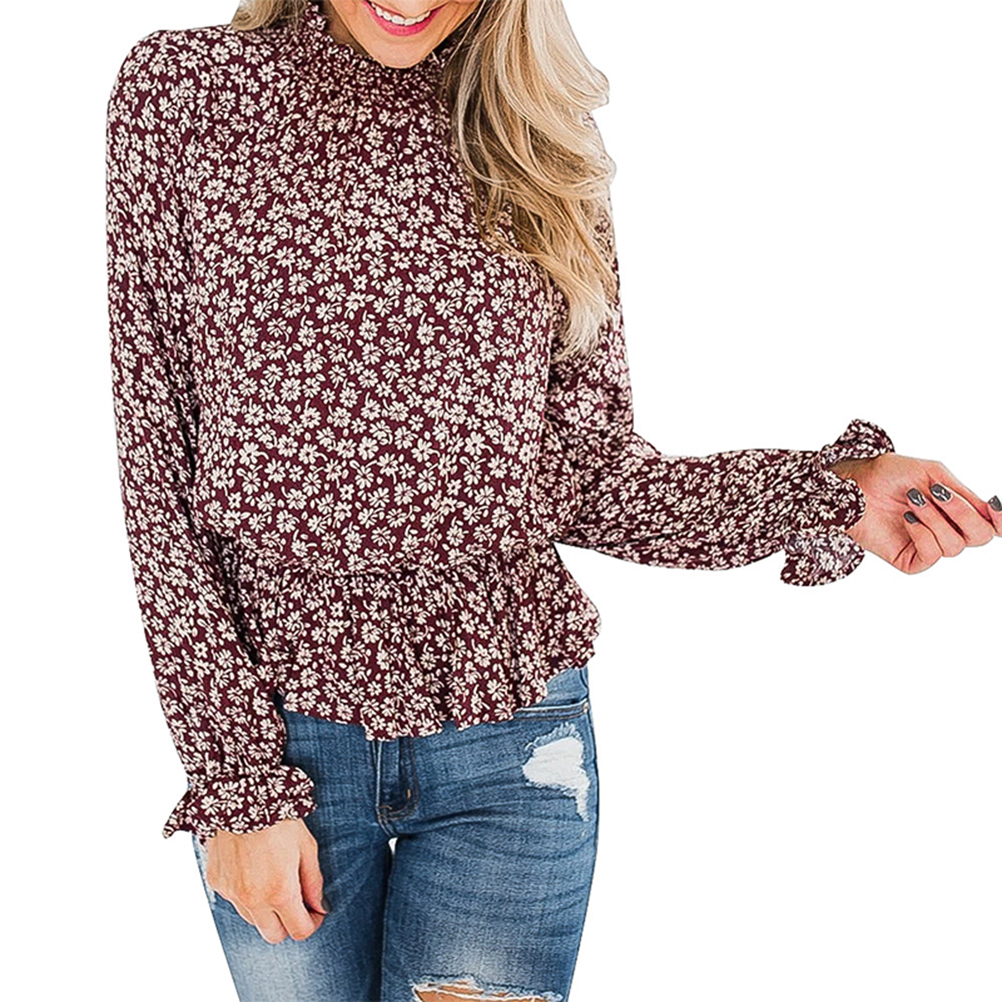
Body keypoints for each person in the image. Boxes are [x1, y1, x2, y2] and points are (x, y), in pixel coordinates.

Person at [103, 1, 1001, 999]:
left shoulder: (538, 134)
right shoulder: (185, 93)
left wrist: (830, 493)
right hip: (282, 738)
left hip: (514, 745)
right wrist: (237, 786)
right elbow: (157, 469)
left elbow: (588, 477)